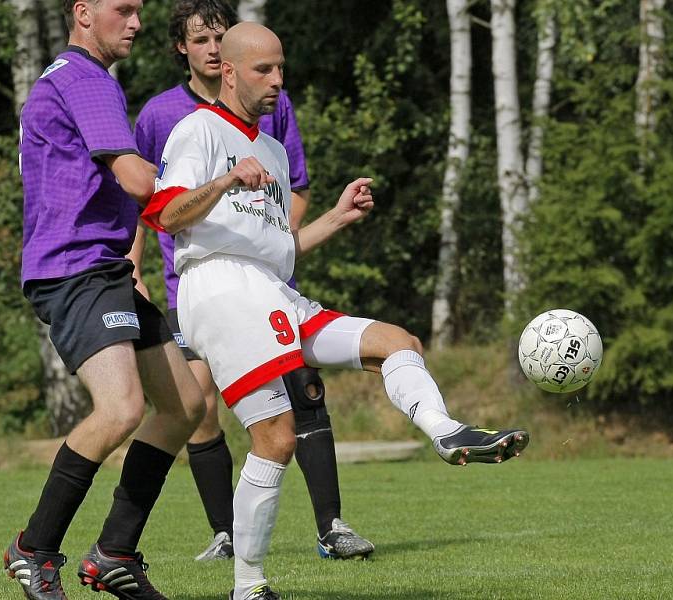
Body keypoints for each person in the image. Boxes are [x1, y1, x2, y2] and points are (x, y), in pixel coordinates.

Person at [142, 21, 529, 600]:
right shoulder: (196, 131)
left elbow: (279, 247)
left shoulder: (270, 149)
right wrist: (226, 178)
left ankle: (447, 434)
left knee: (397, 341)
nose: (277, 81)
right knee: (276, 436)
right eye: (263, 70)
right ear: (227, 70)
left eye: (281, 69)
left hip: (273, 290)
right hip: (220, 291)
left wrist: (336, 218)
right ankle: (248, 588)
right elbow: (166, 215)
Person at [131, 0, 373, 563]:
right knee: (196, 408)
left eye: (220, 36)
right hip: (194, 286)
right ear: (181, 49)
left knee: (303, 390)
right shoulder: (163, 115)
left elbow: (296, 184)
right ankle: (226, 533)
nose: (214, 48)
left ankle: (331, 524)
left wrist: (274, 246)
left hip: (262, 282)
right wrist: (133, 265)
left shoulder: (272, 102)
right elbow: (145, 200)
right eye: (201, 39)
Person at [3, 1, 205, 599]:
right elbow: (138, 182)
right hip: (77, 269)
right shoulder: (85, 78)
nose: (137, 23)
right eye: (124, 9)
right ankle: (33, 550)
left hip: (105, 267)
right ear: (84, 12)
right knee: (120, 410)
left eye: (141, 11)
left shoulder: (73, 78)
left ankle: (114, 552)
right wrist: (217, 190)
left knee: (184, 404)